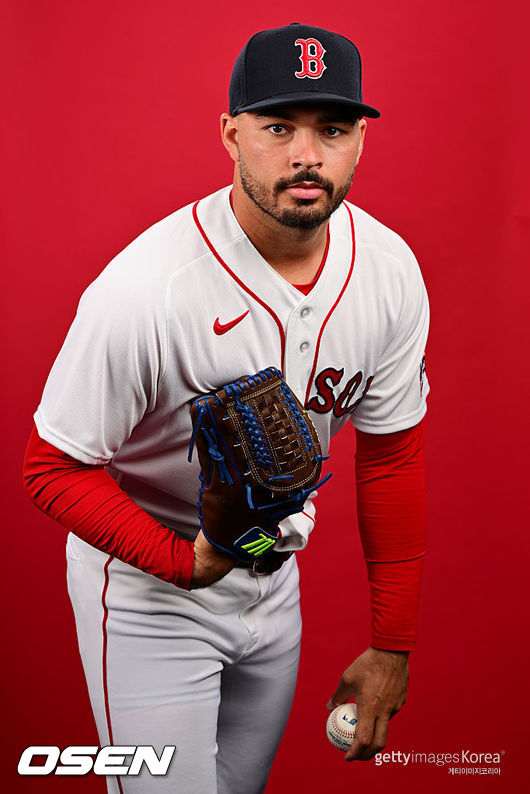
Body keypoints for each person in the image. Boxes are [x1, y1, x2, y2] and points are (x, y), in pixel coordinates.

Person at [23, 22, 429, 794]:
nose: (307, 154)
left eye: (333, 129)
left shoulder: (390, 272)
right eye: (278, 127)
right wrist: (184, 562)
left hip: (276, 588)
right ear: (231, 134)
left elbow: (392, 455)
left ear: (361, 142)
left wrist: (392, 642)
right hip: (147, 591)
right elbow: (51, 468)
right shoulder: (149, 290)